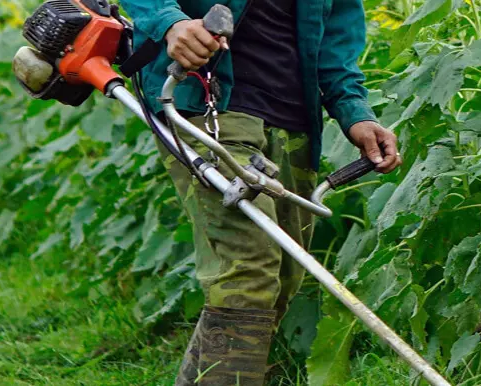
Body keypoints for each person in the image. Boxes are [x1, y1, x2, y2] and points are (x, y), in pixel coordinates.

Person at [118, 1, 402, 385]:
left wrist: (356, 112)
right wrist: (172, 23)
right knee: (248, 267)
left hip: (295, 121)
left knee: (282, 279)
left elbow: (337, 39)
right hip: (210, 105)